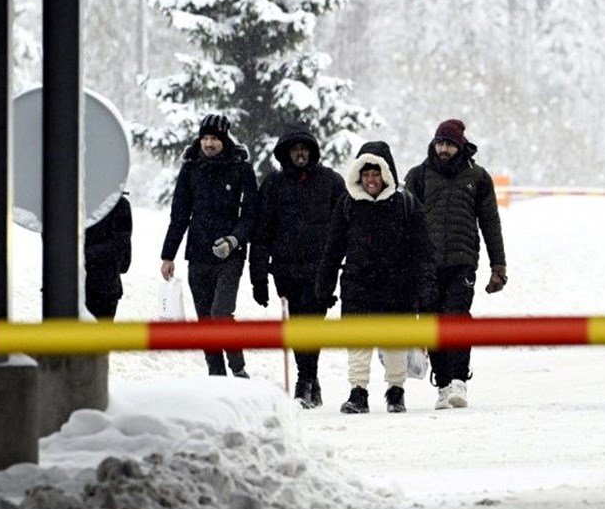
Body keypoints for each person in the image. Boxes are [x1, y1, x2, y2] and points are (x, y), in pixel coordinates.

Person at [316, 141, 436, 414]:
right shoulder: (347, 205)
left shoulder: (407, 204)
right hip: (358, 284)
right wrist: (324, 284)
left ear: (387, 174)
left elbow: (423, 251)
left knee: (395, 341)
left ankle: (396, 392)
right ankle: (358, 392)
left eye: (376, 174)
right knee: (358, 341)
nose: (371, 180)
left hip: (398, 284)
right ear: (359, 175)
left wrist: (425, 286)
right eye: (366, 174)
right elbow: (333, 248)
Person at [404, 119, 507, 410]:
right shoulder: (418, 176)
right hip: (426, 264)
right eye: (440, 143)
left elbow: (490, 224)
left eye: (449, 144)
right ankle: (444, 383)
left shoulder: (478, 177)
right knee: (431, 323)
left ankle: (460, 380)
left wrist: (498, 266)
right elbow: (406, 223)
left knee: (457, 318)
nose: (444, 149)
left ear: (460, 146)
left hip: (463, 262)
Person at [249, 123, 346, 408]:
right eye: (295, 149)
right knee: (298, 323)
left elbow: (346, 223)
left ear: (312, 151)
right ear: (286, 153)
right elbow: (262, 233)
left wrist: (345, 260)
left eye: (304, 148)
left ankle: (306, 379)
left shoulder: (331, 181)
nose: (300, 154)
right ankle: (309, 381)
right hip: (286, 269)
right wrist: (258, 278)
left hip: (321, 269)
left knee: (313, 323)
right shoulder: (273, 184)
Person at [160, 114, 258, 378]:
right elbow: (179, 215)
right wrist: (168, 255)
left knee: (221, 313)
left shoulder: (241, 169)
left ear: (224, 139)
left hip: (231, 255)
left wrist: (234, 240)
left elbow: (250, 215)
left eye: (214, 138)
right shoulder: (191, 169)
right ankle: (216, 375)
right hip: (199, 254)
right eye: (205, 138)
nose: (209, 143)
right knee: (205, 321)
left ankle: (238, 369)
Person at [84, 192, 133, 320]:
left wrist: (78, 254)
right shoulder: (117, 204)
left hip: (98, 287)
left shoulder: (63, 201)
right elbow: (121, 249)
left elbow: (119, 248)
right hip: (103, 286)